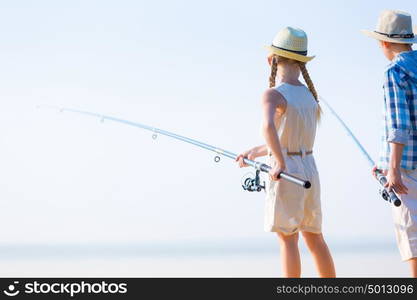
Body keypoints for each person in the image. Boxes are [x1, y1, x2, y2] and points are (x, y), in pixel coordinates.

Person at [236, 27, 335, 277]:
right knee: (315, 239)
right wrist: (255, 153)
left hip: (288, 171)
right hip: (309, 167)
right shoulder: (309, 96)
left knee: (287, 239)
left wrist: (278, 162)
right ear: (302, 62)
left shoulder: (273, 94)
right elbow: (289, 139)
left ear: (272, 59)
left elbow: (268, 127)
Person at [363, 10, 417, 277]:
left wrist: (392, 168)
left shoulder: (395, 71)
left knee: (412, 235)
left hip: (408, 168)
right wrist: (383, 165)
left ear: (384, 43)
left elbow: (400, 125)